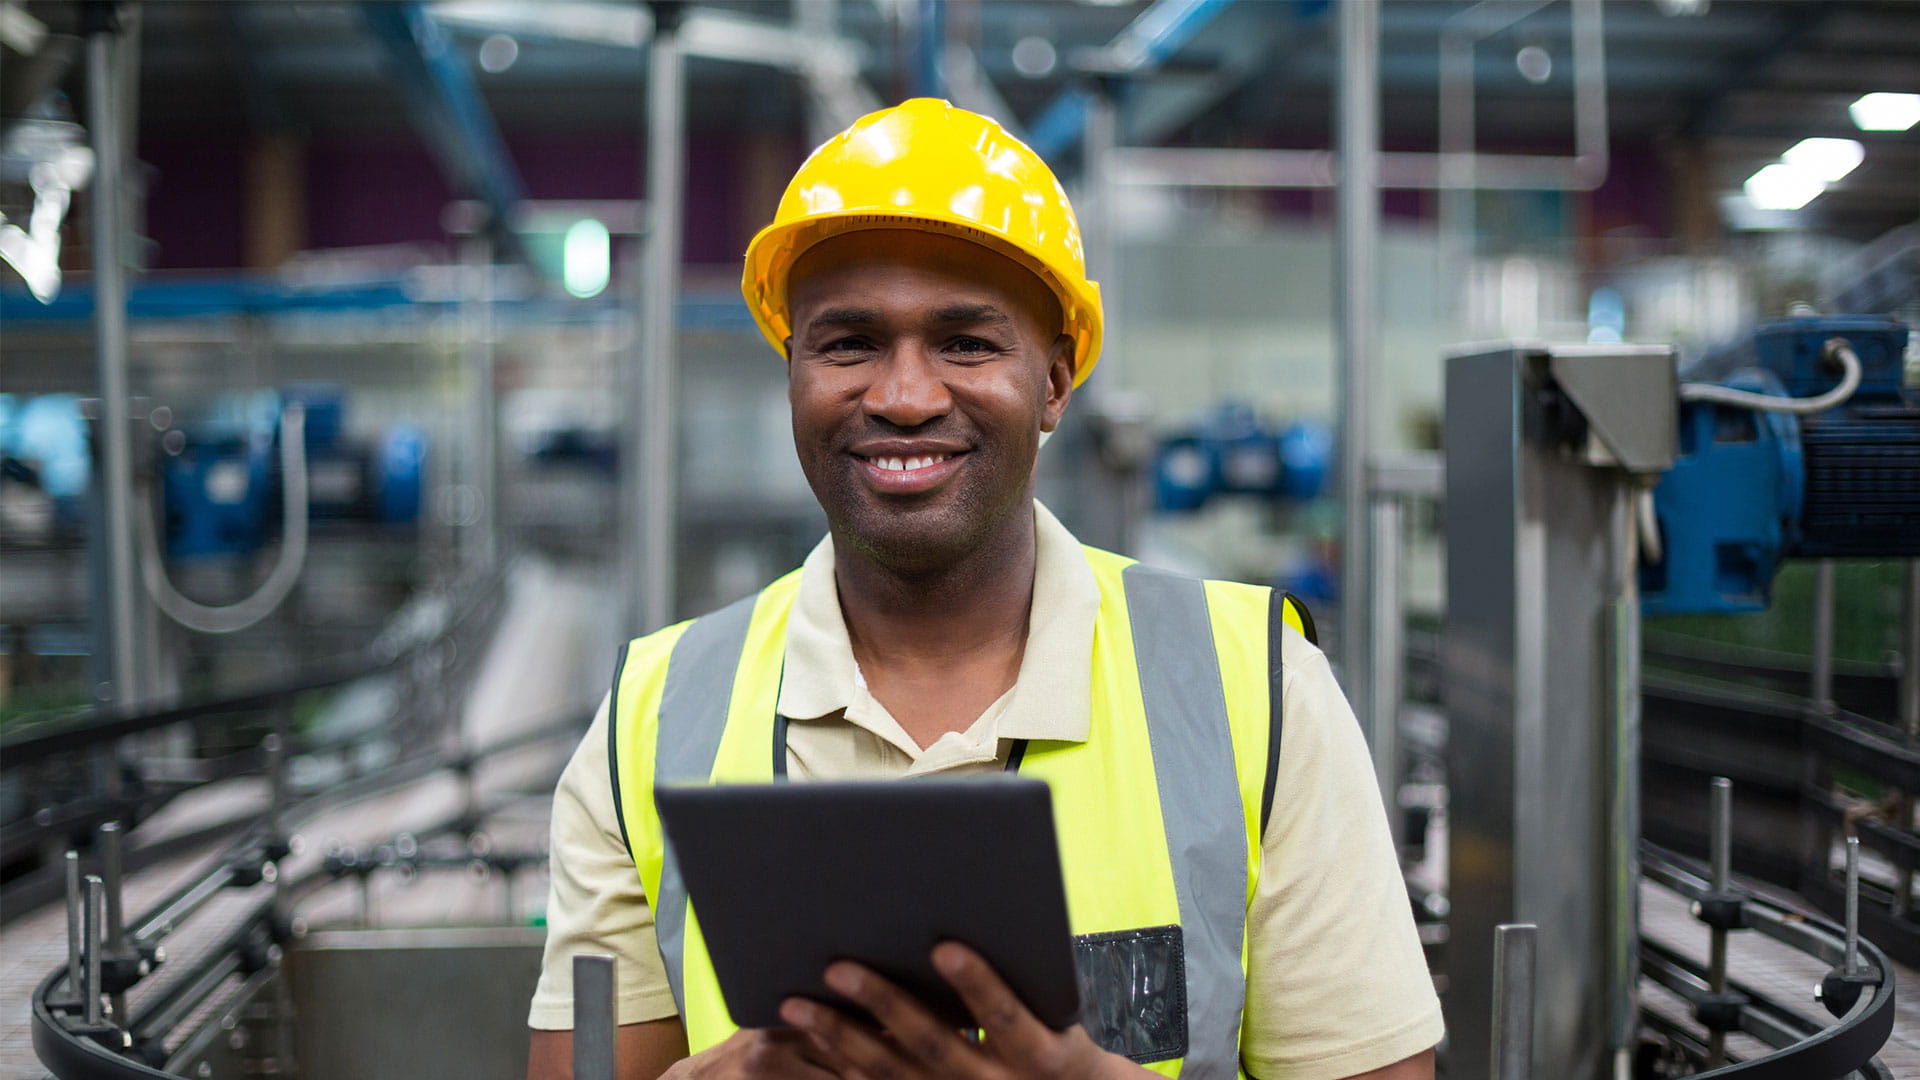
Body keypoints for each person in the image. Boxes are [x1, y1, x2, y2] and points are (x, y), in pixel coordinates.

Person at [527, 99, 1442, 1080]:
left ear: (1054, 381)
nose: (906, 397)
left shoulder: (1253, 694)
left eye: (966, 343)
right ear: (792, 370)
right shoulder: (655, 716)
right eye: (849, 344)